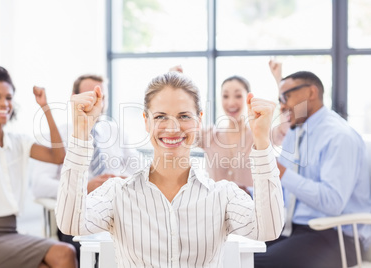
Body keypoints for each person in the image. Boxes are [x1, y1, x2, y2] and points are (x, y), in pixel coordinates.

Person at [56, 71, 284, 267]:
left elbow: (268, 230)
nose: (172, 128)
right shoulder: (118, 192)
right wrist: (80, 136)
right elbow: (71, 223)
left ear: (199, 120)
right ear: (146, 121)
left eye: (184, 116)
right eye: (160, 117)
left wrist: (262, 141)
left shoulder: (222, 195)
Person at [254, 71, 371, 268]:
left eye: (286, 96)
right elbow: (285, 191)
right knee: (231, 253)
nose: (282, 105)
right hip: (295, 230)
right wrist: (246, 192)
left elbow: (333, 202)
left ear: (311, 92)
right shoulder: (296, 132)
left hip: (337, 237)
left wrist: (282, 172)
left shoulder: (339, 136)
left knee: (252, 264)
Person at [0, 66, 77, 268]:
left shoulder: (19, 142)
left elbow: (58, 156)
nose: (4, 103)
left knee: (57, 259)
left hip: (10, 232)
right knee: (64, 252)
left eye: (8, 98)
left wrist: (45, 107)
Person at [31, 74, 140, 263]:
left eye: (102, 96)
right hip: (77, 211)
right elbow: (39, 185)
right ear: (75, 96)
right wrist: (85, 186)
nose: (98, 101)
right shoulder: (56, 135)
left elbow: (140, 170)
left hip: (118, 209)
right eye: (91, 95)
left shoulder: (115, 131)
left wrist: (122, 180)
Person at [169, 65, 254, 189]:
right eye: (225, 96)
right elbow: (184, 131)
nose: (231, 102)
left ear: (248, 98)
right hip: (214, 208)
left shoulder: (259, 136)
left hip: (249, 207)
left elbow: (286, 128)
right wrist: (176, 88)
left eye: (238, 96)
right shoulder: (210, 135)